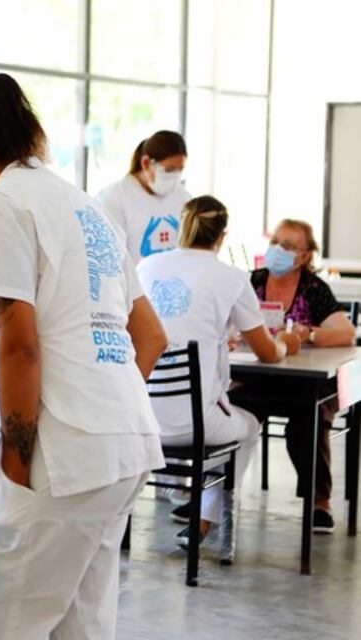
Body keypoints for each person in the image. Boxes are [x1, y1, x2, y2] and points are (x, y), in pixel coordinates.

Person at [0, 73, 168, 639]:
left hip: (63, 456)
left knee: (8, 625)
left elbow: (19, 345)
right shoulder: (87, 206)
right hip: (125, 440)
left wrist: (16, 465)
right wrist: (106, 406)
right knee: (81, 623)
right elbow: (150, 336)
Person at [137, 196, 301, 546]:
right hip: (194, 424)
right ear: (222, 236)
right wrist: (285, 342)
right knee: (249, 427)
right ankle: (203, 520)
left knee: (219, 415)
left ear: (183, 227)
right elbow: (267, 352)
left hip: (139, 419)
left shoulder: (146, 267)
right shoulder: (232, 277)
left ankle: (178, 501)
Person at [248, 219, 355, 533]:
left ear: (305, 256)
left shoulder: (313, 289)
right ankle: (210, 501)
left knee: (308, 418)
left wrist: (309, 334)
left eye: (288, 246)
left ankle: (320, 501)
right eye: (275, 243)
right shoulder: (252, 281)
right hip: (263, 374)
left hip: (310, 380)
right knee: (230, 407)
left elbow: (347, 334)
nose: (278, 251)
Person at [97, 130, 191, 264]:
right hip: (133, 276)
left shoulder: (183, 197)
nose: (175, 176)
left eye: (180, 169)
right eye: (169, 170)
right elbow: (108, 254)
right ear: (146, 163)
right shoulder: (114, 197)